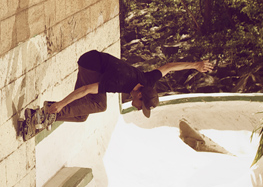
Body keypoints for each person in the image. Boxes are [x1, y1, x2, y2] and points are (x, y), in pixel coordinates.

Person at [26, 50, 212, 132]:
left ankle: (47, 115)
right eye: (142, 106)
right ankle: (46, 111)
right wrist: (61, 103)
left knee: (82, 115)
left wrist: (195, 65)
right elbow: (84, 90)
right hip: (91, 64)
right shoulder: (120, 81)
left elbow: (169, 67)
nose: (139, 109)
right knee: (99, 105)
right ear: (140, 95)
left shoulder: (148, 81)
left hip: (100, 68)